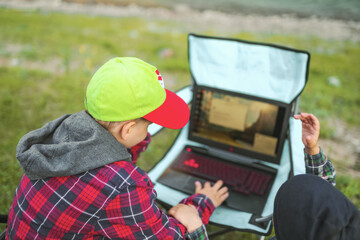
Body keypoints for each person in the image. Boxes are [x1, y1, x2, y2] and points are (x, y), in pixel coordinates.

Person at [6, 57, 229, 239]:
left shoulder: (61, 134)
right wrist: (196, 211)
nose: (149, 129)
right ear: (128, 130)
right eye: (149, 124)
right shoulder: (123, 185)